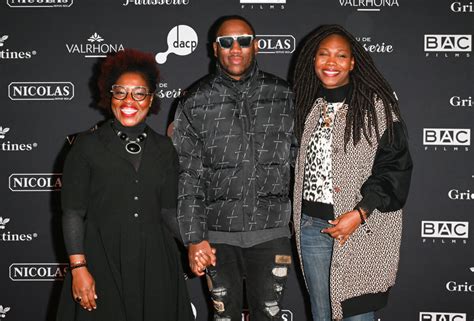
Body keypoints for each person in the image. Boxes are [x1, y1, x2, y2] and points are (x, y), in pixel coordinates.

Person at [172, 15, 296, 321]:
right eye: (226, 42)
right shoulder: (195, 101)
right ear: (215, 49)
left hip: (272, 232)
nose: (235, 48)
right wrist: (193, 237)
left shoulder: (285, 95)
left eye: (243, 40)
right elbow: (187, 176)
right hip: (216, 236)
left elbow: (301, 160)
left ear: (256, 46)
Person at [56, 49, 193, 321]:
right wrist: (79, 268)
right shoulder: (86, 145)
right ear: (110, 96)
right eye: (121, 92)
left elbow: (167, 211)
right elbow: (72, 212)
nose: (129, 100)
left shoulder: (165, 148)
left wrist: (195, 243)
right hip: (101, 259)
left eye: (139, 93)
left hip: (156, 262)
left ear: (151, 99)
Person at [292, 24, 413, 321]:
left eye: (341, 56)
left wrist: (359, 213)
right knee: (322, 314)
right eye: (324, 54)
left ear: (353, 62)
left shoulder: (377, 109)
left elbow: (395, 169)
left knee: (356, 316)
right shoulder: (307, 107)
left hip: (360, 230)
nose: (331, 62)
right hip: (312, 228)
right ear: (313, 60)